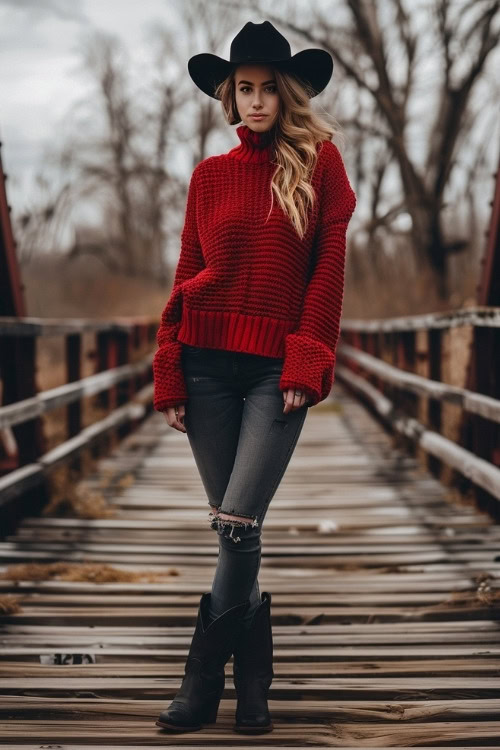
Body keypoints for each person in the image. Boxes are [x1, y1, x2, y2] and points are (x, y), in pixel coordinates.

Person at [153, 20, 356, 735]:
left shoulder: (320, 164)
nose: (259, 100)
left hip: (276, 372)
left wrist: (310, 356)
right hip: (204, 366)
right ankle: (254, 687)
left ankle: (201, 682)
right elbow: (186, 274)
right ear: (229, 97)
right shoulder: (208, 177)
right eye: (246, 88)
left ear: (289, 94)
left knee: (237, 520)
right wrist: (169, 367)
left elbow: (327, 272)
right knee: (237, 534)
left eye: (272, 88)